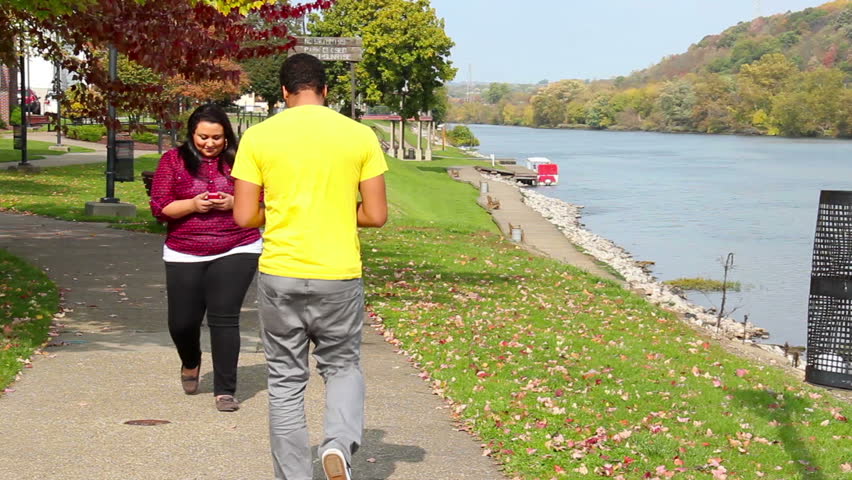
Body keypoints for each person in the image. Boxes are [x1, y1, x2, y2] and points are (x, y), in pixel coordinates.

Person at [232, 53, 388, 480]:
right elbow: (375, 214)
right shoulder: (359, 136)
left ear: (283, 92)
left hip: (281, 272)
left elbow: (244, 217)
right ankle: (337, 444)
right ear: (326, 91)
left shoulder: (258, 137)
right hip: (337, 273)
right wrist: (333, 210)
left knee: (284, 380)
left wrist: (283, 211)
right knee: (342, 367)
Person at [149, 103, 262, 412]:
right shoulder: (172, 161)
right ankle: (191, 360)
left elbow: (264, 201)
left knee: (224, 317)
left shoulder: (243, 162)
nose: (209, 144)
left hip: (237, 246)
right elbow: (160, 208)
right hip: (184, 249)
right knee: (182, 323)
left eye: (216, 138)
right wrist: (192, 205)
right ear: (191, 135)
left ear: (227, 137)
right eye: (203, 137)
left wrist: (233, 202)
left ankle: (225, 389)